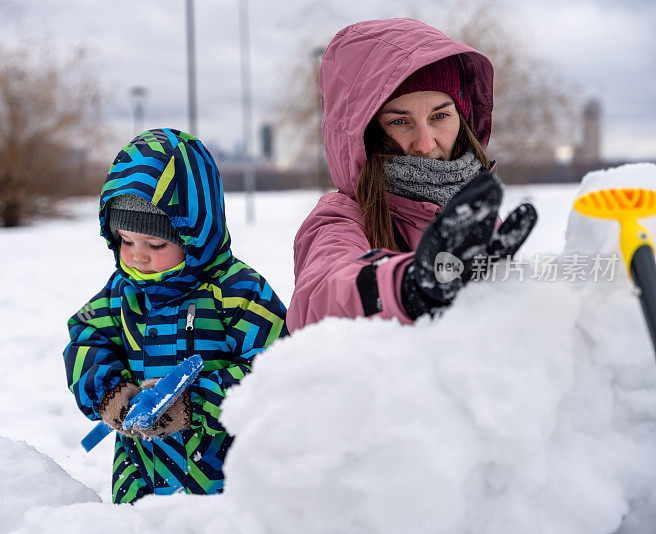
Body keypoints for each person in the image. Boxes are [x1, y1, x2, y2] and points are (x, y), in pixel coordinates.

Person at [63, 128, 288, 504]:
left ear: (195, 234)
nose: (137, 256)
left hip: (221, 484)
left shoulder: (238, 293)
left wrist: (193, 403)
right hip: (139, 480)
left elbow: (273, 370)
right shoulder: (122, 293)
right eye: (125, 241)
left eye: (155, 243)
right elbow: (86, 337)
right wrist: (110, 393)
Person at [287, 18, 538, 331]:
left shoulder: (472, 212)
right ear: (364, 134)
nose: (425, 143)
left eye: (440, 115)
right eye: (399, 122)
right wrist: (409, 285)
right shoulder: (340, 220)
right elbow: (321, 297)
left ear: (462, 118)